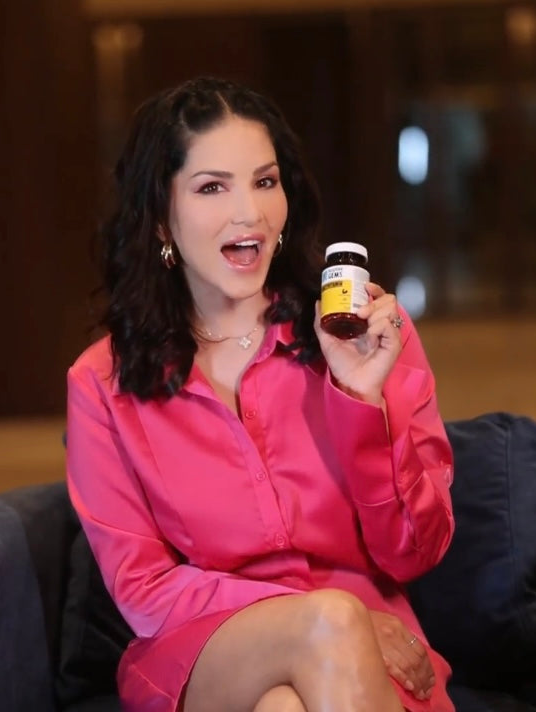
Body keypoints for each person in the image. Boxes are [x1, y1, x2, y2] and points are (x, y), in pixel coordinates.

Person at [65, 76, 456, 712]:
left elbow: (416, 552)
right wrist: (327, 615)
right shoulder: (101, 382)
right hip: (204, 649)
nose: (249, 213)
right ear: (160, 216)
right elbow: (143, 588)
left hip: (373, 656)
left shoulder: (364, 334)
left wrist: (363, 402)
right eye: (212, 187)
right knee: (329, 624)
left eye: (265, 181)